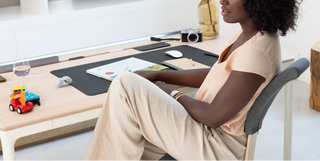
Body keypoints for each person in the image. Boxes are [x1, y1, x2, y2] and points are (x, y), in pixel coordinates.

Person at [83, 0, 301, 160]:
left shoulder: (256, 52)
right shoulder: (248, 33)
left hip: (215, 146)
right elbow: (218, 74)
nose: (221, 1)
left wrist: (173, 93)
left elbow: (213, 116)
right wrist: (160, 73)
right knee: (125, 125)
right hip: (202, 130)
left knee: (125, 85)